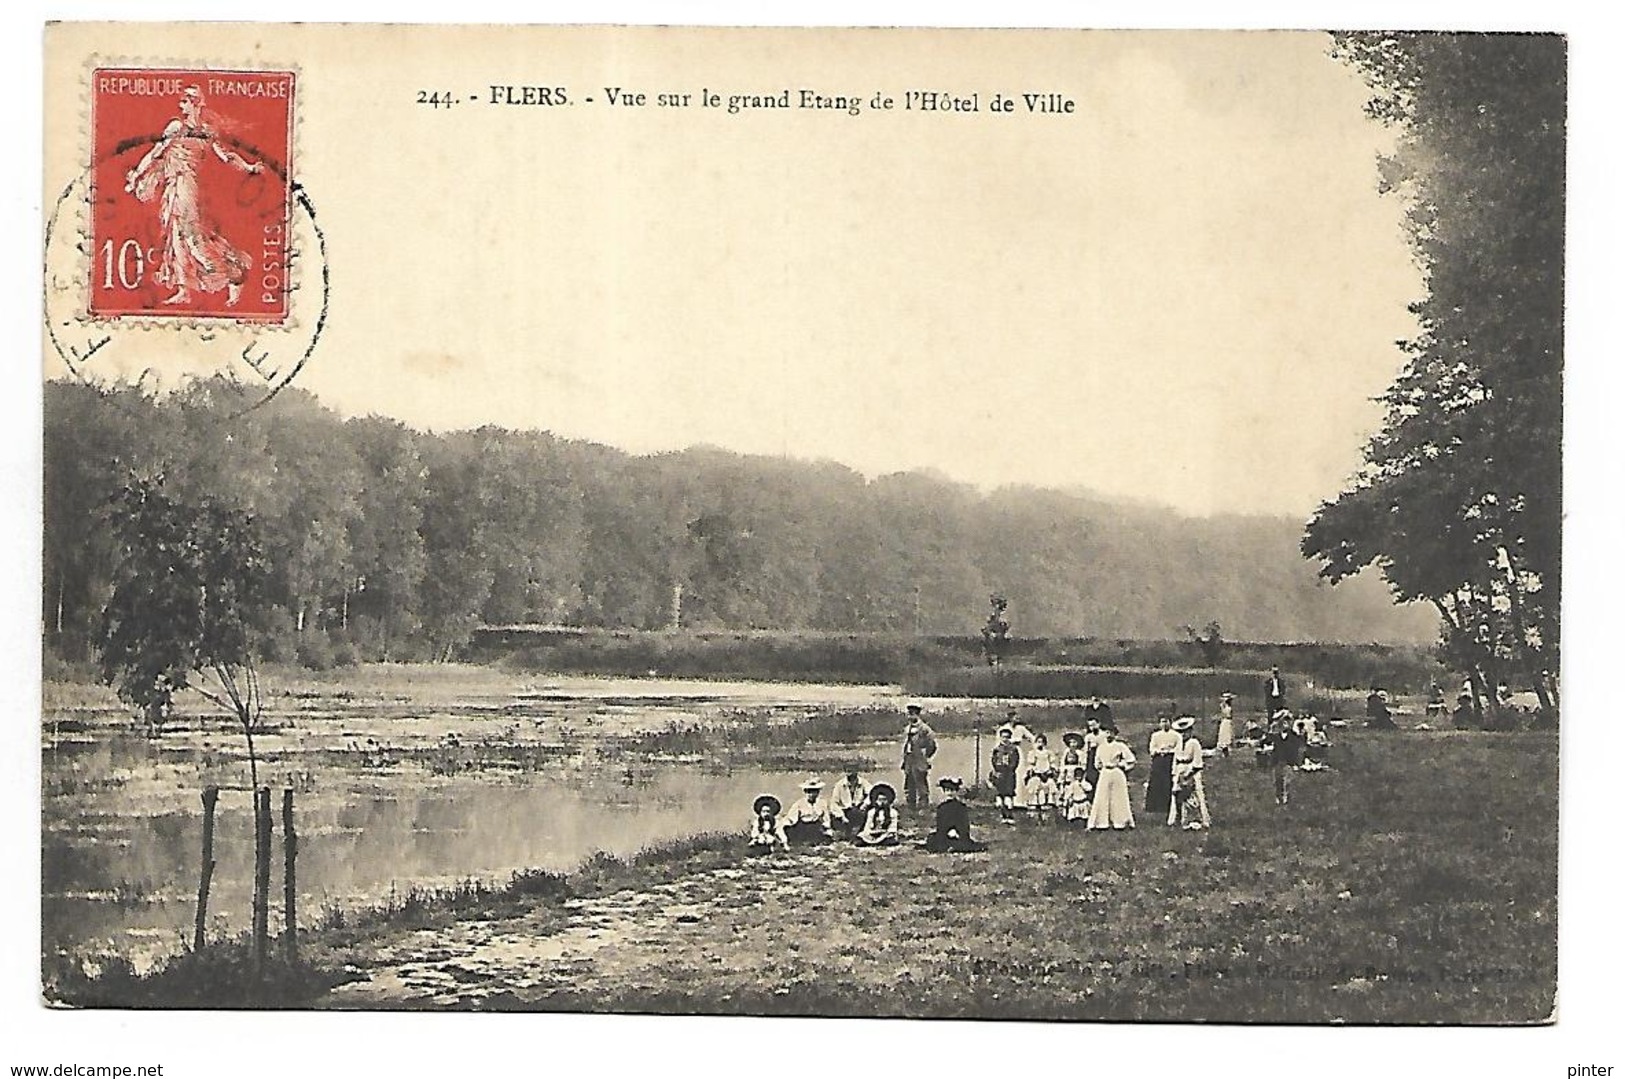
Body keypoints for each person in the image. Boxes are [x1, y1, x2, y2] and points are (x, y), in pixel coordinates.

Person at [123, 86, 263, 307]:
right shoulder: (176, 126)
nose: (181, 106)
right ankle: (184, 289)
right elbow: (156, 152)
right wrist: (137, 175)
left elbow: (226, 156)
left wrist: (249, 167)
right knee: (176, 236)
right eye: (181, 101)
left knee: (192, 239)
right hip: (173, 186)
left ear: (197, 103)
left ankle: (234, 276)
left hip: (187, 185)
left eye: (186, 101)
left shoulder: (206, 131)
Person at [1086, 730, 1136, 830]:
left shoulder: (1120, 746)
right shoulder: (1101, 747)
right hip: (1105, 773)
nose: (1108, 735)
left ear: (1115, 734)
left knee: (1119, 796)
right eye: (1106, 733)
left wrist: (1121, 765)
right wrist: (1102, 768)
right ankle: (1101, 823)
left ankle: (1120, 822)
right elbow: (1097, 762)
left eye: (1111, 733)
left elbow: (1131, 760)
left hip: (1117, 772)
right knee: (1102, 796)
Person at [922, 777, 988, 853]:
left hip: (958, 834)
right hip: (944, 835)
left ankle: (954, 846)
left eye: (952, 790)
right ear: (944, 792)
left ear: (956, 791)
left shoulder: (961, 807)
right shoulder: (941, 807)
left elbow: (964, 823)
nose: (949, 793)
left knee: (962, 843)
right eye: (947, 790)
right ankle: (949, 846)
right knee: (933, 839)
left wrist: (957, 831)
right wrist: (945, 832)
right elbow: (940, 825)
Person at [1170, 717, 1210, 830]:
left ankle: (1196, 819)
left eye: (1186, 732)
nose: (1183, 735)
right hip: (1180, 770)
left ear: (1191, 731)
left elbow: (1197, 762)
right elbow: (1175, 759)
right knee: (1177, 795)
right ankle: (1178, 818)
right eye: (1181, 733)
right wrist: (1175, 774)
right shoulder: (1178, 744)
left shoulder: (1194, 743)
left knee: (1193, 795)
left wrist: (1188, 774)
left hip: (1191, 771)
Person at [900, 705, 938, 810]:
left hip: (919, 760)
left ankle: (923, 807)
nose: (910, 717)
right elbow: (906, 744)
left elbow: (932, 745)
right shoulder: (907, 729)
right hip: (909, 759)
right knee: (909, 784)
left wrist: (925, 757)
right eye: (909, 714)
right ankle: (910, 807)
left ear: (917, 714)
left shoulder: (925, 729)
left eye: (912, 714)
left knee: (921, 783)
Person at [1261, 713, 1301, 806]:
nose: (1285, 725)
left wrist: (1296, 763)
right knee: (1277, 780)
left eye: (1288, 722)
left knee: (1287, 781)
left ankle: (1286, 798)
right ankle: (1278, 797)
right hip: (1277, 761)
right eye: (1284, 722)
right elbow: (1265, 741)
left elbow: (1297, 749)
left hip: (1288, 761)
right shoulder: (1276, 736)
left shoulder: (1293, 736)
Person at [1144, 715, 1180, 818]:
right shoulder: (1155, 735)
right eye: (1162, 722)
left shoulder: (1176, 735)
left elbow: (1178, 748)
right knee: (1156, 781)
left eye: (1166, 721)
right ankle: (1155, 806)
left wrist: (1169, 751)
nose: (1164, 724)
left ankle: (1167, 805)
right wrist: (1159, 751)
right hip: (1158, 759)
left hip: (1170, 759)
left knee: (1168, 781)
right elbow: (1152, 748)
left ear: (1170, 722)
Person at [782, 778, 834, 845]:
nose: (811, 795)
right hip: (803, 827)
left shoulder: (822, 803)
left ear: (818, 792)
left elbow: (826, 819)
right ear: (805, 792)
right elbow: (791, 819)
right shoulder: (799, 804)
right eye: (809, 792)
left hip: (816, 827)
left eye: (814, 792)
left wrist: (827, 828)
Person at [989, 725, 1022, 823]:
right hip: (1000, 774)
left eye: (1007, 737)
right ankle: (1003, 816)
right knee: (1001, 795)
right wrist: (996, 770)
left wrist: (1010, 768)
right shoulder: (997, 749)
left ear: (1010, 738)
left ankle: (1010, 816)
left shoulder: (1013, 749)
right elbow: (993, 761)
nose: (1005, 739)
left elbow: (1016, 761)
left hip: (1009, 774)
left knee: (1009, 795)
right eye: (1003, 737)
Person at [1025, 733, 1060, 823]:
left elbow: (1052, 763)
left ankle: (1047, 813)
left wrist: (1052, 770)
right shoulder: (1033, 753)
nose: (1040, 744)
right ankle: (1034, 813)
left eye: (1042, 742)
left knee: (1050, 785)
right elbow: (1031, 764)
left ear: (1045, 743)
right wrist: (1031, 771)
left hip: (1046, 772)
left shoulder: (1048, 753)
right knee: (1034, 785)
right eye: (1038, 742)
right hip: (1037, 773)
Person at [830, 767, 871, 835]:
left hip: (858, 810)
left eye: (852, 771)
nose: (850, 773)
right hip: (844, 811)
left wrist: (865, 804)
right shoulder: (839, 785)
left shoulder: (863, 782)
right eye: (848, 771)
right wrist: (842, 816)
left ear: (857, 771)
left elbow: (872, 794)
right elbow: (834, 803)